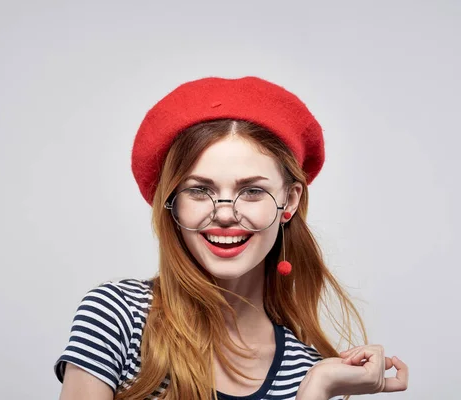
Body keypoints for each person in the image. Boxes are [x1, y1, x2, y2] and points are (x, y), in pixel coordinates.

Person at [54, 76, 409, 400]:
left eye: (252, 190)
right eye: (199, 190)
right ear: (172, 203)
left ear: (289, 200)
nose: (225, 213)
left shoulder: (309, 371)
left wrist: (314, 393)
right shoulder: (120, 316)